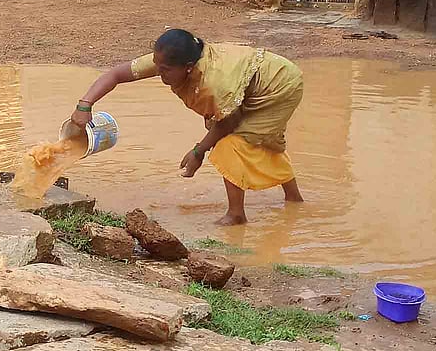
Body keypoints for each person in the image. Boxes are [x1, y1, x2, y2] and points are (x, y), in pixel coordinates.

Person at [71, 29, 305, 225]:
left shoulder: (215, 82)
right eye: (156, 66)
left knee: (231, 145)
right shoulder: (169, 59)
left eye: (165, 71)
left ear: (189, 67)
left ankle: (236, 215)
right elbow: (116, 74)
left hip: (279, 87)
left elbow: (227, 123)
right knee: (266, 140)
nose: (159, 74)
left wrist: (198, 152)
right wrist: (85, 105)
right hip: (257, 80)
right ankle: (294, 199)